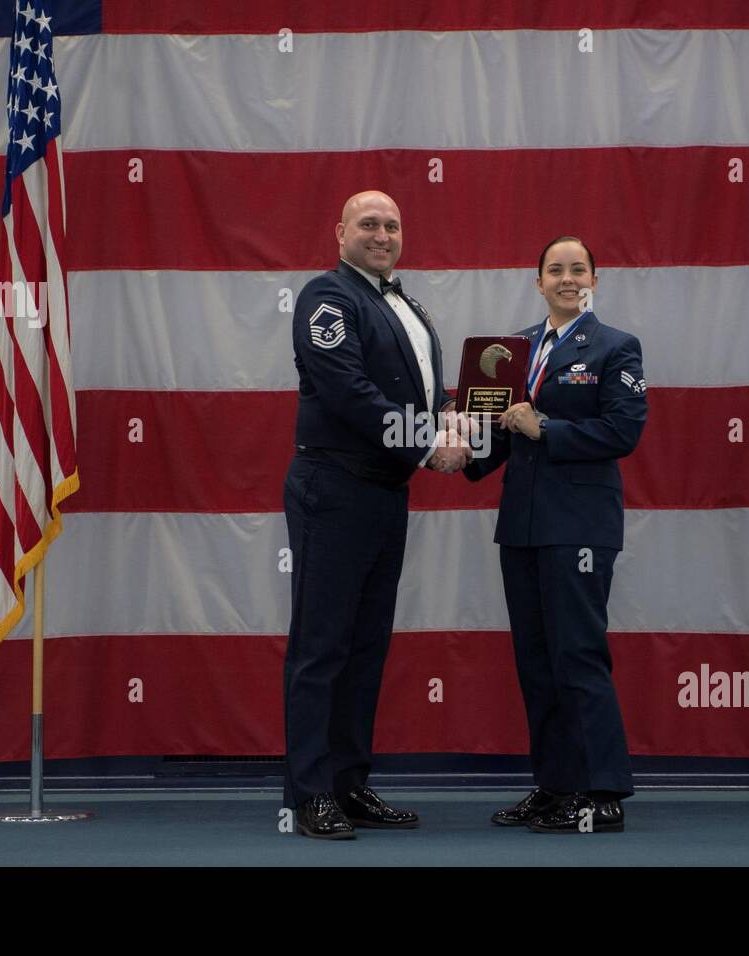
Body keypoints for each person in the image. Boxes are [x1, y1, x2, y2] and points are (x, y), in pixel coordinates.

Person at [283, 190, 471, 839]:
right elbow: (349, 394)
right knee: (321, 647)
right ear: (340, 232)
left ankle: (348, 783)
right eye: (369, 223)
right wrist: (428, 444)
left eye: (392, 224)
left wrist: (461, 424)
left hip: (385, 493)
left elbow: (430, 395)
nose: (383, 234)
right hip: (334, 488)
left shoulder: (409, 307)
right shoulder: (326, 298)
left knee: (365, 649)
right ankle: (310, 794)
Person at [464, 236, 647, 832]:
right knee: (537, 662)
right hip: (522, 526)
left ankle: (603, 792)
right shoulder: (512, 349)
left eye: (579, 269)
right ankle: (555, 787)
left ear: (595, 278)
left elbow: (622, 431)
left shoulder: (617, 347)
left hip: (581, 528)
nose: (568, 279)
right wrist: (457, 451)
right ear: (536, 280)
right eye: (556, 270)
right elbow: (502, 429)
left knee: (578, 656)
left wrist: (548, 429)